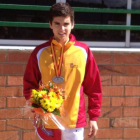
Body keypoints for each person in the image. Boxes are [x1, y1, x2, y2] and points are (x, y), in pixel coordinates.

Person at [23, 2, 102, 140]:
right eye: (57, 24)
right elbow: (30, 84)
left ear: (73, 24)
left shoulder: (83, 51)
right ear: (50, 25)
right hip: (47, 121)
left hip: (74, 121)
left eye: (66, 24)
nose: (62, 29)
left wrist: (93, 117)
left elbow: (94, 87)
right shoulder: (40, 52)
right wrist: (35, 106)